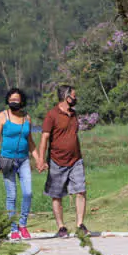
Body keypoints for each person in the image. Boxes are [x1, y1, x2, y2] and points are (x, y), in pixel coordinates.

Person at [38, 85, 91, 238]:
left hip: (76, 160)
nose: (75, 99)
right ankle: (61, 227)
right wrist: (41, 160)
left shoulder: (74, 114)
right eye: (74, 96)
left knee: (81, 190)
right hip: (57, 160)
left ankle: (80, 224)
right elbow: (44, 138)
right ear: (66, 97)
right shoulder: (51, 115)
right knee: (57, 195)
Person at [0, 88, 40, 241]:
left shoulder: (27, 118)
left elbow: (30, 141)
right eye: (11, 99)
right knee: (11, 196)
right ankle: (13, 229)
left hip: (23, 160)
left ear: (22, 101)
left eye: (16, 100)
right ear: (8, 100)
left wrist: (38, 159)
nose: (13, 102)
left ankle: (23, 225)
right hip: (7, 161)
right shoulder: (2, 116)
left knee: (28, 193)